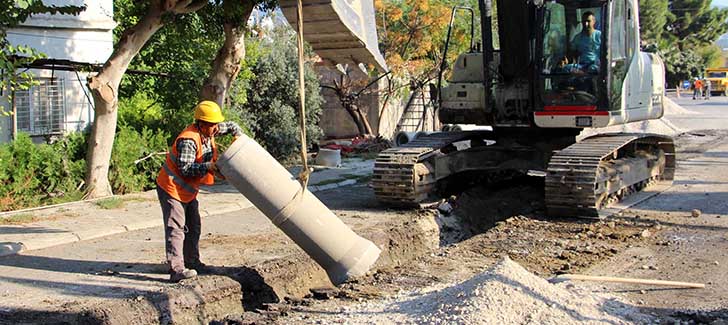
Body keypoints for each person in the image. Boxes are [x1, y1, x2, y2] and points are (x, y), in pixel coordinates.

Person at [156, 100, 243, 282]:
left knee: (194, 226)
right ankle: (177, 270)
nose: (216, 128)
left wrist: (239, 136)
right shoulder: (188, 140)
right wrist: (209, 166)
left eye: (216, 124)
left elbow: (233, 126)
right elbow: (185, 169)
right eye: (212, 125)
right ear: (201, 123)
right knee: (176, 228)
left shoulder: (210, 129)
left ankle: (192, 261)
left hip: (187, 190)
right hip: (172, 188)